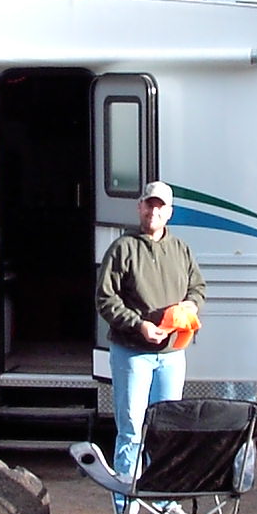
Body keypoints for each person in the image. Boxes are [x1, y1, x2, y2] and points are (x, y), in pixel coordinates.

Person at [95, 180, 206, 481]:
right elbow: (105, 299)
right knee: (131, 429)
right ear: (140, 207)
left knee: (167, 429)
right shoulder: (123, 248)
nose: (154, 211)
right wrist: (139, 325)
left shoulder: (181, 250)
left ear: (170, 212)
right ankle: (126, 502)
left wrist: (191, 306)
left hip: (172, 355)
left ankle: (165, 501)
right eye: (149, 204)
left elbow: (198, 288)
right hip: (132, 355)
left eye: (161, 206)